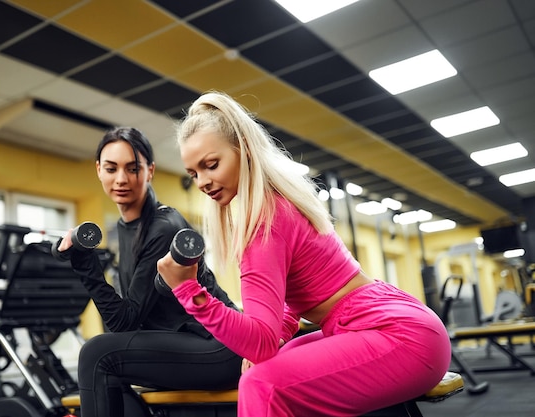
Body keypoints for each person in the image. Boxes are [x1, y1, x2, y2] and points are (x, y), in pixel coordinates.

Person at [156, 91, 453, 417]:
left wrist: (187, 290)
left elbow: (259, 342)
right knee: (271, 367)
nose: (202, 181)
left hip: (402, 337)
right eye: (193, 173)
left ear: (244, 150)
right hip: (382, 323)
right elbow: (285, 307)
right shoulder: (277, 204)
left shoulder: (264, 222)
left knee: (261, 384)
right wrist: (279, 333)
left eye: (211, 165)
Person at [56, 126, 242, 417]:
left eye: (132, 168)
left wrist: (85, 266)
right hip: (193, 341)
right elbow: (131, 317)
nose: (121, 179)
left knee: (96, 355)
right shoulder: (128, 227)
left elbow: (125, 321)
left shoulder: (162, 228)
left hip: (219, 345)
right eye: (111, 168)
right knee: (109, 371)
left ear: (150, 170)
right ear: (98, 170)